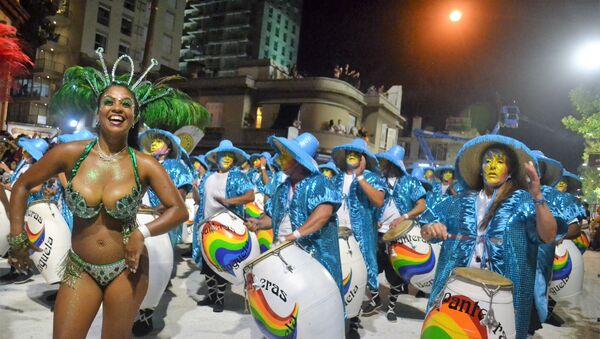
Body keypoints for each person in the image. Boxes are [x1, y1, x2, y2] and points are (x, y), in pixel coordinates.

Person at [8, 48, 190, 338]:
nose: (117, 108)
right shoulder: (69, 154)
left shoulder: (144, 164)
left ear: (134, 115)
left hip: (127, 269)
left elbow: (179, 210)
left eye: (126, 104)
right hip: (79, 267)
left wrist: (142, 233)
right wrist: (17, 239)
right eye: (109, 102)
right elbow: (22, 185)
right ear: (98, 111)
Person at [419, 135, 569, 339]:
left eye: (500, 162)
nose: (492, 166)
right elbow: (425, 231)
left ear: (509, 172)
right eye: (487, 161)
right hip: (457, 291)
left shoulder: (523, 202)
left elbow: (549, 235)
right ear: (480, 168)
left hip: (503, 299)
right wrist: (431, 228)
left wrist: (537, 196)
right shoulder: (459, 201)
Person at [246, 132, 343, 296]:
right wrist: (258, 223)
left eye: (286, 155)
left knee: (315, 304)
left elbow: (323, 214)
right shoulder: (283, 187)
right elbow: (272, 217)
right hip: (284, 255)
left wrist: (293, 236)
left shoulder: (319, 183)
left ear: (299, 161)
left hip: (314, 258)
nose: (280, 158)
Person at [193, 139, 254, 312]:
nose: (225, 158)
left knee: (221, 263)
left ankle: (219, 299)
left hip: (226, 229)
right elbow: (199, 201)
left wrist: (228, 201)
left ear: (234, 159)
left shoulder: (239, 176)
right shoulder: (208, 177)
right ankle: (211, 295)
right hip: (205, 226)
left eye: (229, 155)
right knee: (207, 266)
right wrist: (196, 189)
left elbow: (250, 196)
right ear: (216, 157)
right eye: (222, 155)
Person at [331, 139, 385, 331]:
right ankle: (337, 314)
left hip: (360, 235)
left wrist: (360, 177)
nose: (351, 157)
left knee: (359, 273)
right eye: (348, 153)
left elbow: (379, 200)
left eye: (355, 154)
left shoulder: (371, 177)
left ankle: (353, 317)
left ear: (363, 159)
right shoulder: (335, 179)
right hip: (335, 234)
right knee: (337, 273)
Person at [530, 152, 585, 334]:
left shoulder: (558, 198)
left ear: (543, 173)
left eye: (537, 168)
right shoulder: (511, 194)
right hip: (510, 260)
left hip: (539, 262)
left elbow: (575, 228)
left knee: (532, 307)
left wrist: (556, 234)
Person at [375, 145, 426, 321]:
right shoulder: (378, 180)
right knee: (372, 267)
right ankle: (374, 299)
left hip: (400, 236)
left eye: (387, 162)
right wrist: (375, 217)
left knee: (395, 274)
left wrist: (404, 216)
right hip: (379, 233)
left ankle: (391, 307)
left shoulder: (410, 182)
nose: (383, 165)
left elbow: (421, 205)